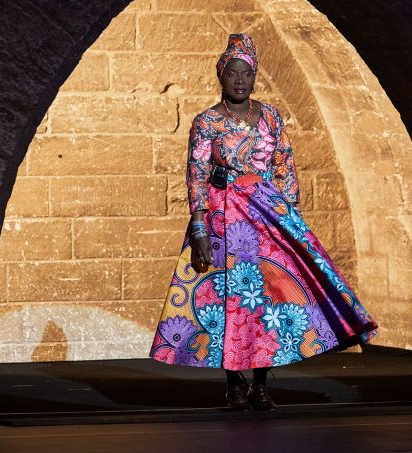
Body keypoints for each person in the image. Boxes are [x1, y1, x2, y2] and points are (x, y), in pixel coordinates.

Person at [150, 33, 378, 411]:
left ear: (255, 77)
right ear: (221, 76)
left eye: (247, 73)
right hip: (225, 217)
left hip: (267, 213)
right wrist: (200, 228)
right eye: (233, 73)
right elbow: (196, 175)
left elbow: (284, 162)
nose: (240, 80)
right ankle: (233, 384)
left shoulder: (270, 116)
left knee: (270, 298)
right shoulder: (207, 122)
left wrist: (290, 217)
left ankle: (259, 383)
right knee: (230, 300)